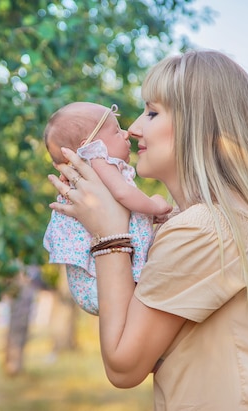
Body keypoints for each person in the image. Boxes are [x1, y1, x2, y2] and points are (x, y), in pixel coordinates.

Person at [47, 49, 248, 410]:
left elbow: (123, 367)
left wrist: (109, 235)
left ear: (201, 127)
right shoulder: (226, 221)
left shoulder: (203, 230)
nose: (134, 128)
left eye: (152, 112)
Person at [43, 102, 172, 315]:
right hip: (99, 284)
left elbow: (121, 211)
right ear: (90, 145)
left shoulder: (91, 176)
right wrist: (154, 206)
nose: (125, 133)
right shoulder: (97, 161)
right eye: (115, 130)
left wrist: (145, 217)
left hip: (94, 287)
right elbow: (123, 194)